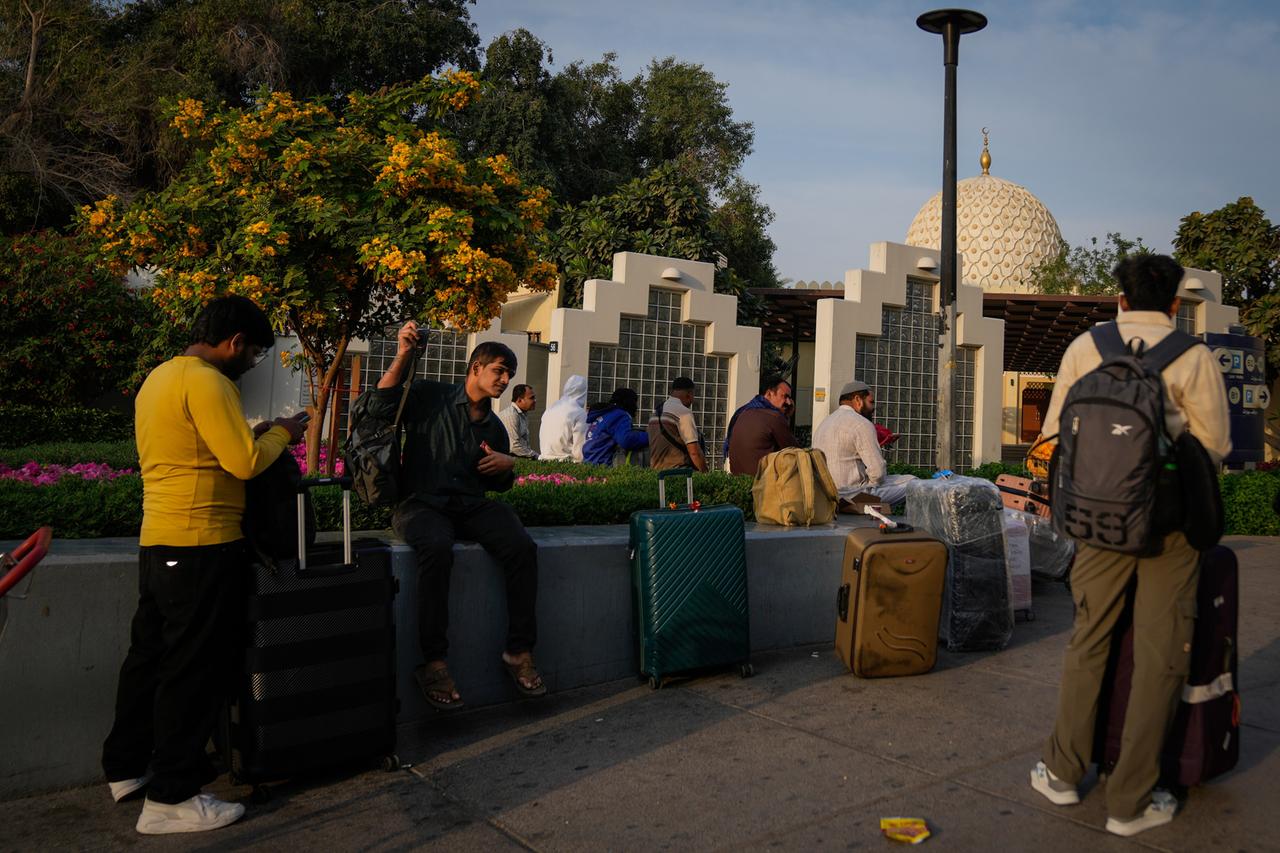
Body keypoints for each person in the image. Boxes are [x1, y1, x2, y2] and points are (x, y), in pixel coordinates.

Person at [1029, 255, 1231, 837]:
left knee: (1088, 640)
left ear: (1119, 299)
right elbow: (1214, 447)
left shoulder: (1084, 349)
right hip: (1167, 531)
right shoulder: (1192, 357)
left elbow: (1052, 437)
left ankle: (1063, 772)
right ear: (1175, 304)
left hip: (1096, 523)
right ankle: (1131, 799)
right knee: (1161, 654)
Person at [102, 296, 306, 835]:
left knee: (148, 657)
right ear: (235, 342)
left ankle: (125, 768)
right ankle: (171, 798)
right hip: (203, 544)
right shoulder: (211, 381)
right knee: (193, 671)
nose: (252, 362)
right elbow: (242, 463)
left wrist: (257, 436)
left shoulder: (160, 378)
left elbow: (203, 452)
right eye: (255, 353)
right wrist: (285, 432)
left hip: (160, 540)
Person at [369, 321, 544, 711]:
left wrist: (507, 466)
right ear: (476, 368)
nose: (504, 379)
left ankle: (519, 652)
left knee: (521, 546)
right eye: (498, 370)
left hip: (470, 505)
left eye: (509, 374)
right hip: (421, 503)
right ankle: (434, 662)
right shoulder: (431, 396)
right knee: (435, 546)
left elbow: (498, 486)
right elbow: (381, 402)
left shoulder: (495, 428)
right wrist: (403, 353)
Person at [811, 380, 915, 506]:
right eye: (871, 402)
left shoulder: (824, 423)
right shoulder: (861, 423)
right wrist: (869, 483)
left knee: (905, 480)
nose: (873, 408)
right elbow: (878, 473)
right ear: (858, 400)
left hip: (827, 494)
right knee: (915, 484)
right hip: (853, 496)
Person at [725, 375, 798, 475]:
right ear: (769, 394)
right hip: (762, 484)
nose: (789, 403)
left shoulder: (744, 412)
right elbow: (795, 452)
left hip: (738, 481)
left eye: (790, 398)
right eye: (785, 396)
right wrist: (787, 417)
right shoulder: (775, 417)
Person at [648, 376, 707, 472]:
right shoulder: (683, 412)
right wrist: (706, 475)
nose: (692, 400)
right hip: (679, 473)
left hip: (657, 474)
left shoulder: (655, 413)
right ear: (689, 394)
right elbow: (694, 452)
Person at [583, 388, 649, 465]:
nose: (636, 407)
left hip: (589, 463)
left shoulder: (605, 414)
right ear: (629, 402)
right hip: (602, 464)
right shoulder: (620, 415)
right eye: (635, 402)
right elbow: (626, 440)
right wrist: (650, 436)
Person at [539, 374, 588, 461]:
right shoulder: (579, 413)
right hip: (565, 463)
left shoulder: (550, 409)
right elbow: (579, 450)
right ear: (583, 392)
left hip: (543, 460)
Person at [498, 384, 539, 459]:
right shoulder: (511, 415)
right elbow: (514, 446)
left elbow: (523, 443)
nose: (535, 400)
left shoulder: (523, 414)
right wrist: (535, 456)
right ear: (519, 400)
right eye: (531, 398)